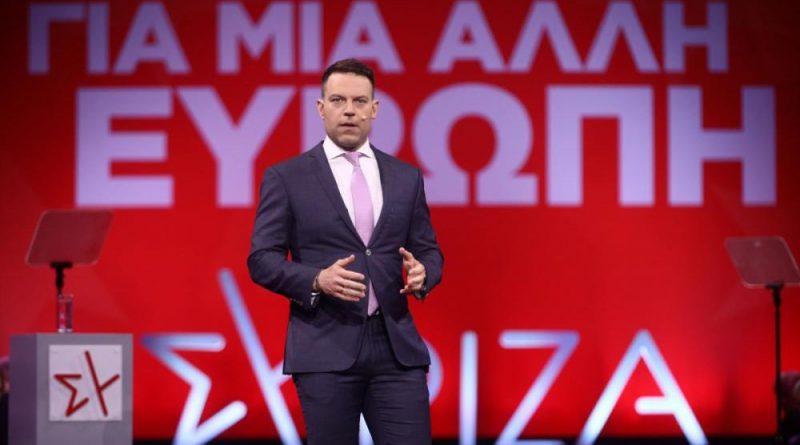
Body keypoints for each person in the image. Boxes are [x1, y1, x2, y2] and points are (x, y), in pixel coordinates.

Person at [248, 58, 443, 444]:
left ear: (374, 109)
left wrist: (424, 273)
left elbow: (429, 250)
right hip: (324, 346)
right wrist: (316, 279)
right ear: (321, 108)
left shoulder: (405, 177)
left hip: (395, 348)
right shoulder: (287, 177)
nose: (349, 110)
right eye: (338, 100)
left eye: (359, 101)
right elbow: (261, 259)